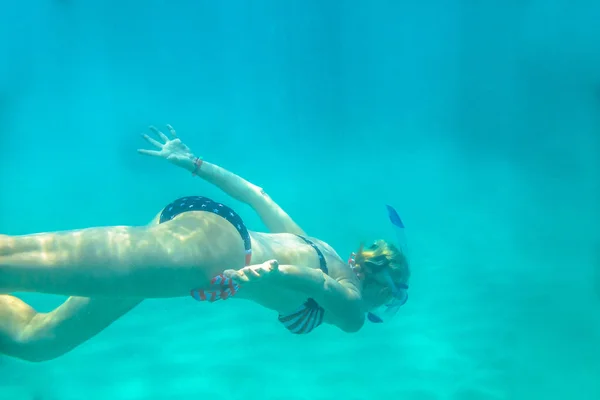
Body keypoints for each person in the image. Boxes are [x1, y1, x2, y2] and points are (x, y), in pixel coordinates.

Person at [0, 125, 410, 362]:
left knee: (39, 340)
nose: (383, 308)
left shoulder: (317, 244)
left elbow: (256, 195)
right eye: (392, 299)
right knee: (11, 262)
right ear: (382, 286)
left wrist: (194, 163)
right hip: (214, 254)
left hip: (205, 230)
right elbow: (318, 286)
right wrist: (261, 276)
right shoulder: (354, 307)